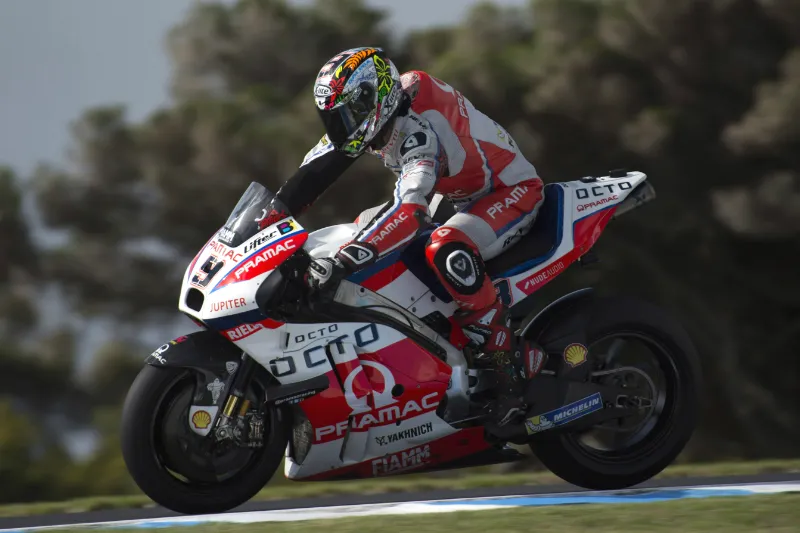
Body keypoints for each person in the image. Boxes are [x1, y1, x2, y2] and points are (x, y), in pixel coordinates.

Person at [262, 47, 544, 426]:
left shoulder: (418, 128)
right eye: (332, 117)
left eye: (346, 114)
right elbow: (313, 172)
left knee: (447, 247)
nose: (340, 126)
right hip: (457, 194)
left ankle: (504, 365)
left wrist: (344, 261)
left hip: (509, 191)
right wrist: (268, 220)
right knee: (361, 226)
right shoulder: (379, 112)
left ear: (372, 100)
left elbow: (410, 210)